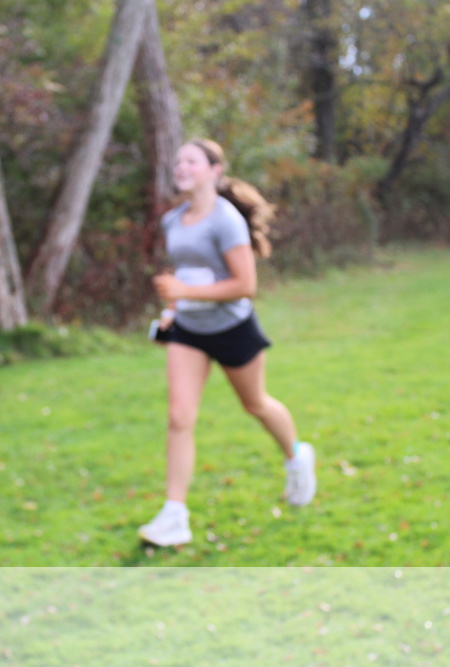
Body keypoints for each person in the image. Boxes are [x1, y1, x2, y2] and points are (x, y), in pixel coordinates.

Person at [138, 138, 316, 547]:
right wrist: (172, 310)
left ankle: (296, 456)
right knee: (179, 417)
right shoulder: (173, 221)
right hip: (189, 330)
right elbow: (188, 275)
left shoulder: (226, 220)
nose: (181, 167)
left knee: (255, 404)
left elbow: (245, 285)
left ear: (215, 170)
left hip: (232, 328)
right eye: (178, 161)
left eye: (191, 161)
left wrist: (184, 290)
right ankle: (174, 515)